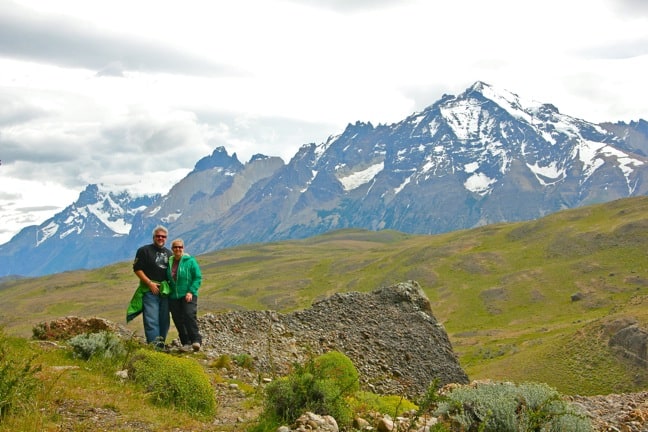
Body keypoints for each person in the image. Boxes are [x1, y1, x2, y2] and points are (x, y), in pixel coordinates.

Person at [128, 225, 172, 349]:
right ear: (153, 237)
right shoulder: (144, 251)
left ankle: (161, 345)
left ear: (166, 238)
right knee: (151, 320)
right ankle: (154, 348)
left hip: (164, 291)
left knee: (164, 321)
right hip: (149, 290)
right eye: (158, 236)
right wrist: (149, 283)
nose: (160, 238)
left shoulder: (169, 253)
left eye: (163, 236)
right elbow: (137, 269)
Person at [167, 238, 203, 352]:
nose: (178, 249)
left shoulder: (190, 261)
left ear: (183, 248)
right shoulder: (169, 262)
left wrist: (191, 291)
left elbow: (197, 277)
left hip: (188, 294)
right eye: (175, 247)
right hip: (173, 296)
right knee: (178, 319)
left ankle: (196, 340)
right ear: (172, 249)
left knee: (188, 315)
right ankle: (185, 343)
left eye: (180, 247)